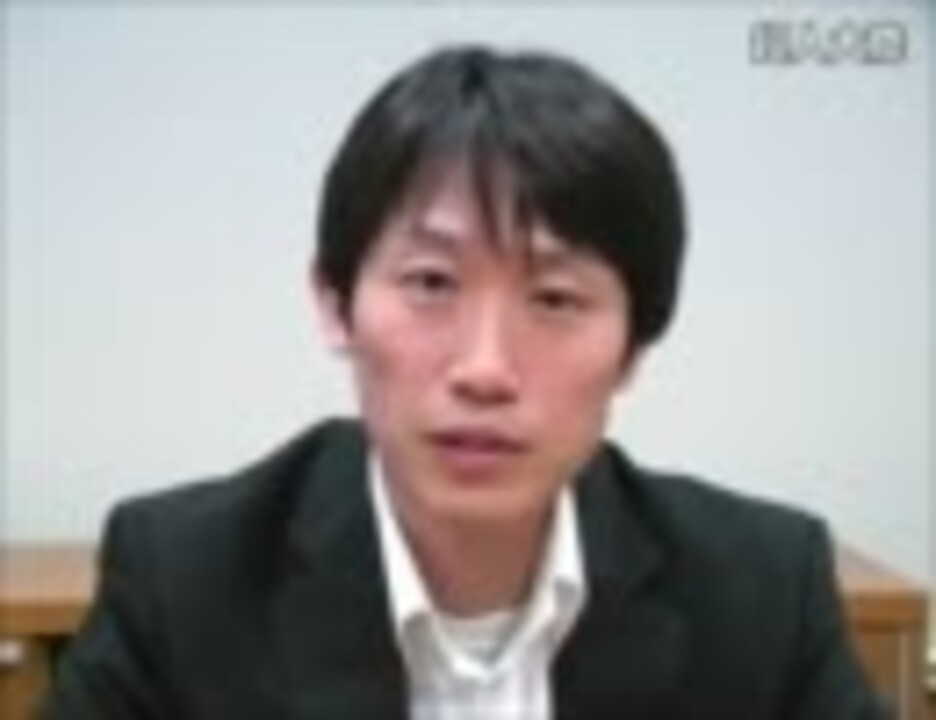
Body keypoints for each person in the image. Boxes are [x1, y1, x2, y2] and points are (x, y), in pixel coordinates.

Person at [42, 44, 886, 719]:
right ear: (335, 303)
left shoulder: (764, 591)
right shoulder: (185, 579)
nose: (484, 368)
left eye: (555, 298)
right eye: (431, 283)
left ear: (634, 345)